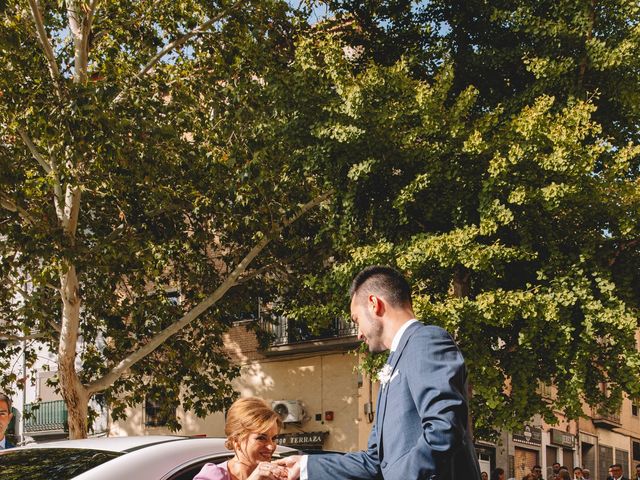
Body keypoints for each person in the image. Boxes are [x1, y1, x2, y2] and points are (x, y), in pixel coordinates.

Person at [276, 266, 481, 480]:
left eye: (356, 320)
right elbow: (374, 463)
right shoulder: (394, 362)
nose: (358, 333)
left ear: (374, 304)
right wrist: (306, 465)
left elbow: (443, 429)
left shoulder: (426, 340)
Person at [193, 397, 288, 480]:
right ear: (236, 440)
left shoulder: (275, 476)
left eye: (274, 438)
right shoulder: (212, 476)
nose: (271, 446)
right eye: (261, 438)